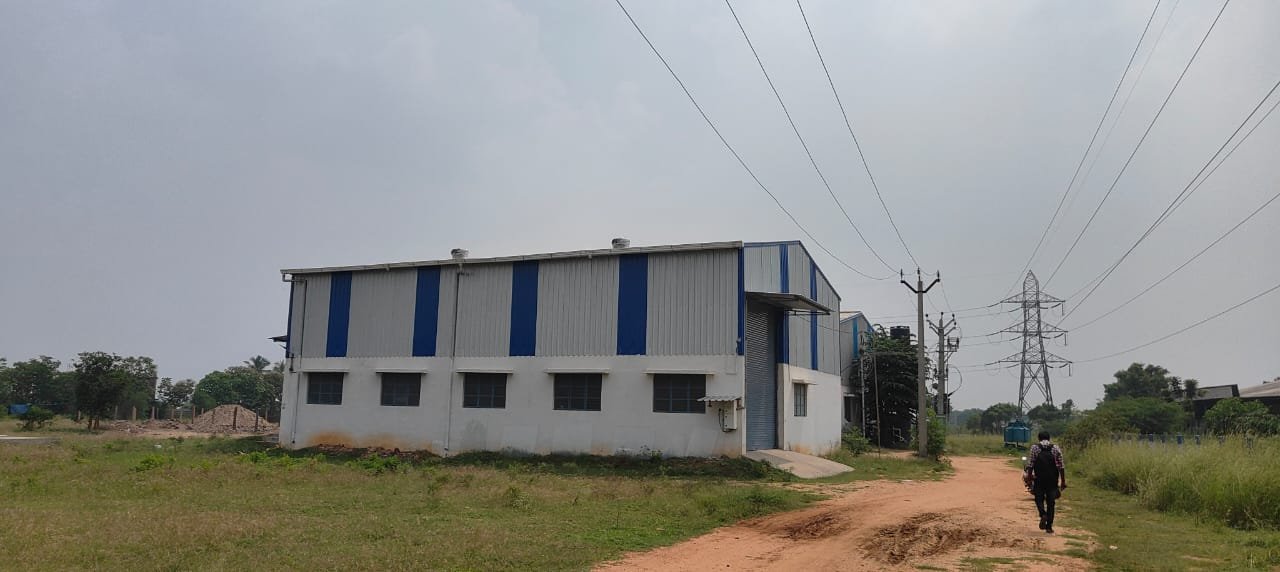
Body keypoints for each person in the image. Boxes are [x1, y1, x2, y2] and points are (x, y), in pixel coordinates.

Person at [1024, 431, 1066, 533]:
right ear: (1049, 438)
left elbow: (1031, 464)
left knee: (1039, 498)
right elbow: (1061, 466)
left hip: (1039, 479)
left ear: (1039, 438)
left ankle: (1043, 514)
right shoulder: (1055, 448)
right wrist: (1063, 481)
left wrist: (1029, 478)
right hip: (1052, 480)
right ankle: (1049, 527)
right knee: (1051, 502)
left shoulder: (1035, 448)